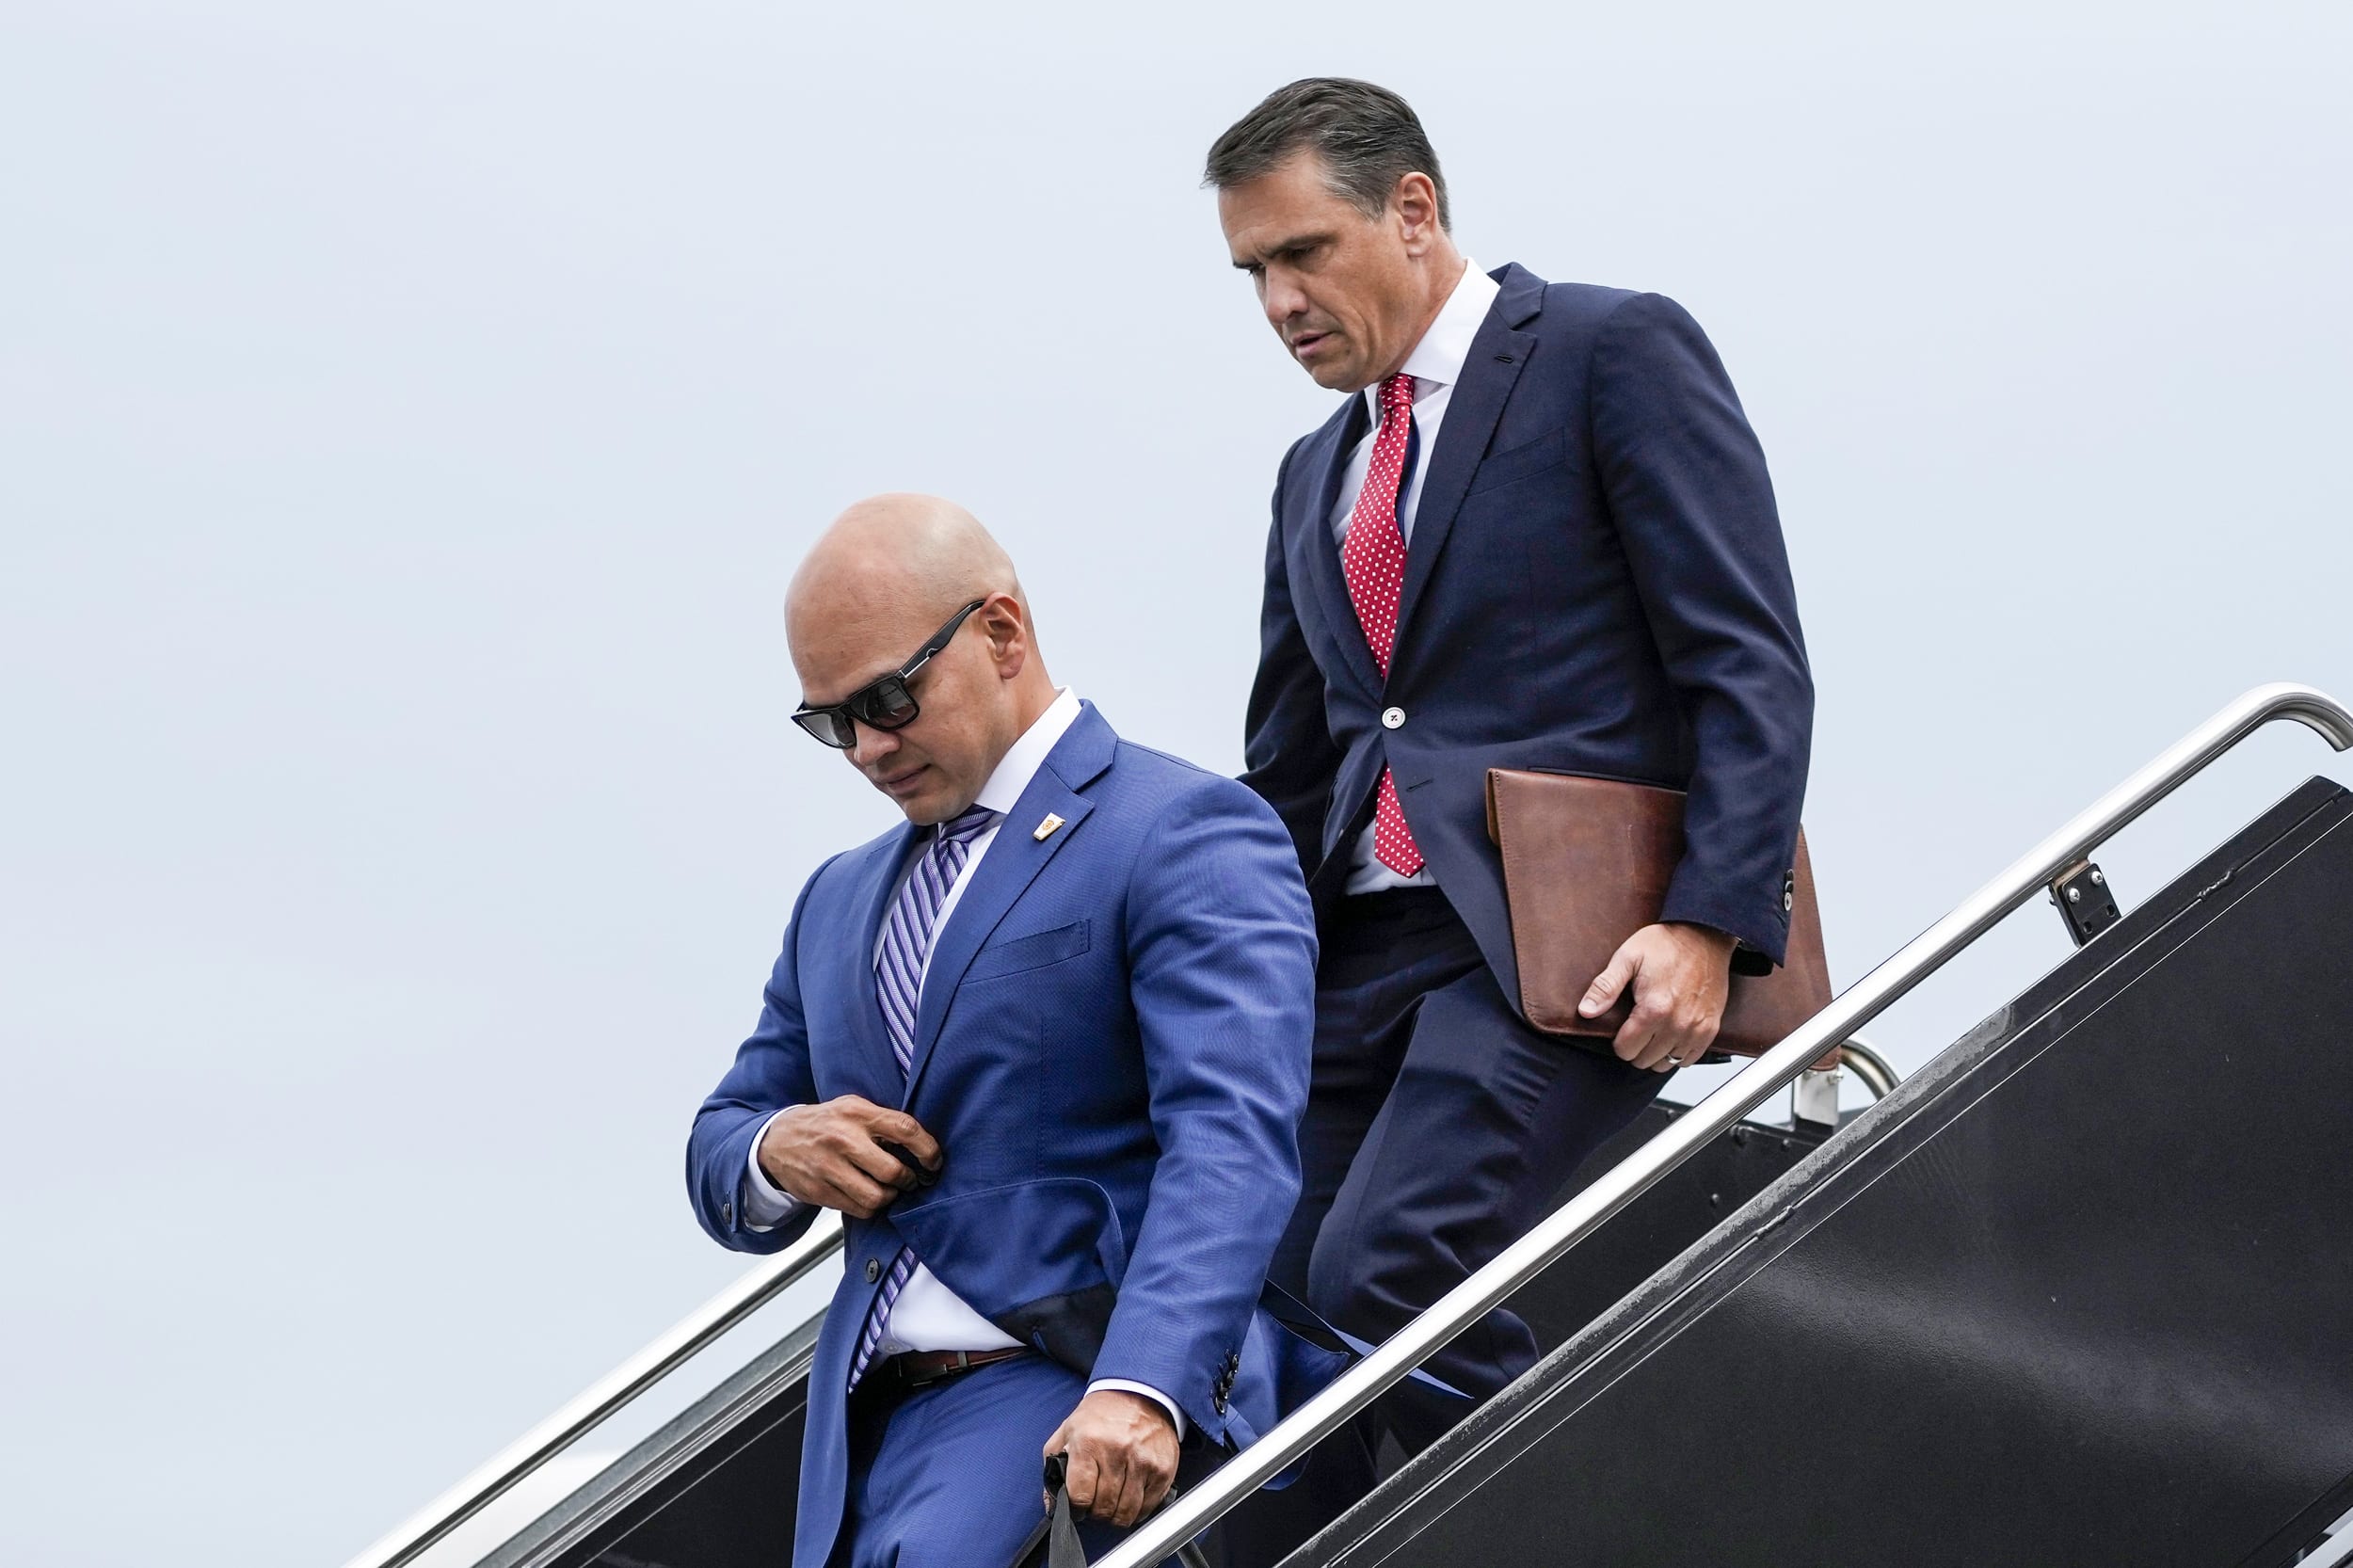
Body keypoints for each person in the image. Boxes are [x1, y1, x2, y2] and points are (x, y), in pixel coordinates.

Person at [1204, 76, 1816, 1549]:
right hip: (1355, 958)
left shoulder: (1612, 351)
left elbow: (1747, 658)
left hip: (1564, 951)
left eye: (1303, 252)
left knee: (1390, 1277)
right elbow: (1290, 768)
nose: (1280, 300)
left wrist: (1709, 922)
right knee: (1248, 1323)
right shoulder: (1315, 474)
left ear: (1413, 210)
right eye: (1252, 274)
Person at [684, 495, 1321, 1568]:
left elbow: (1232, 1137)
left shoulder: (1180, 829)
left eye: (890, 697)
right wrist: (775, 1150)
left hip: (1061, 1400)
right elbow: (724, 1133)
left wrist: (1145, 1382)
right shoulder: (834, 902)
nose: (869, 748)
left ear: (1002, 632)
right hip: (857, 1449)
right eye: (831, 722)